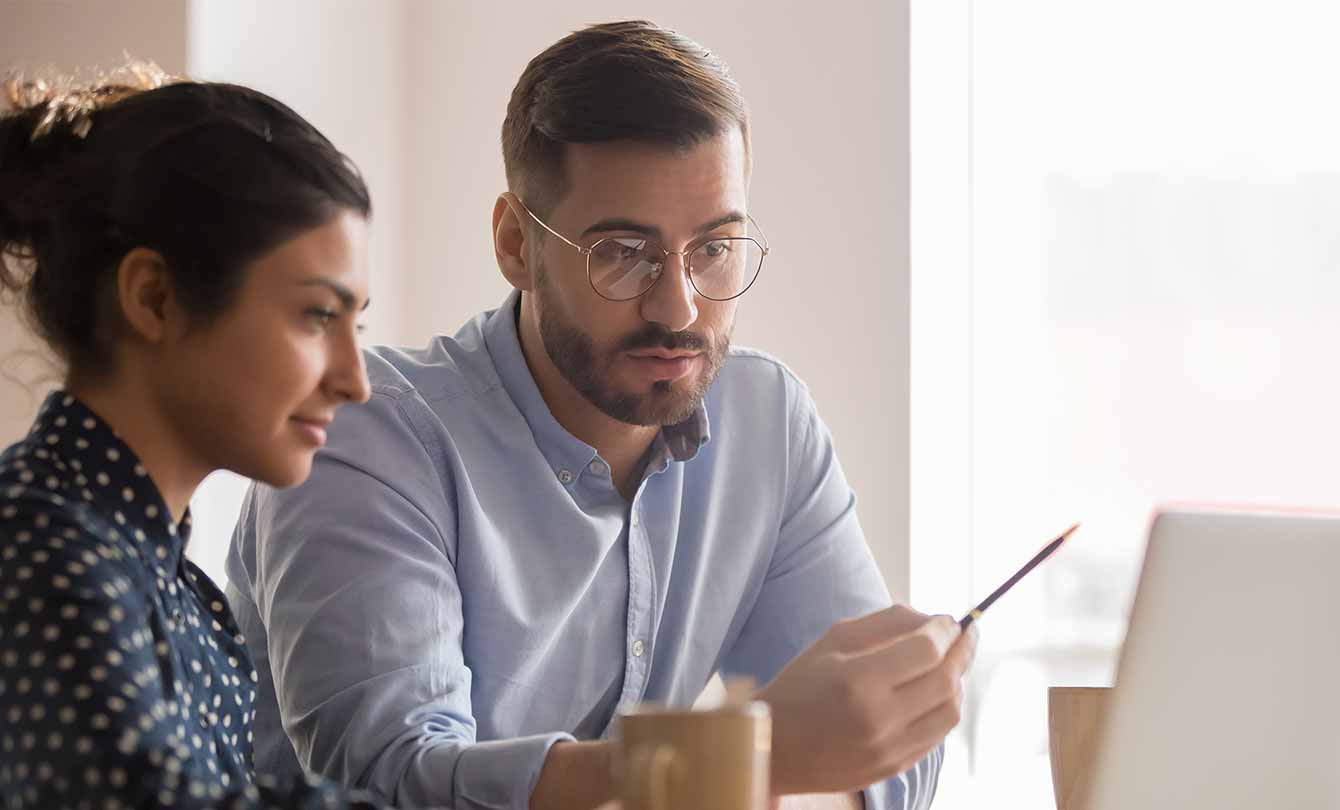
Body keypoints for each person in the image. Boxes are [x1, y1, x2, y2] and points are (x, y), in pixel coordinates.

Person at [226, 20, 976, 810]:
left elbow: (886, 769)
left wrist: (813, 751)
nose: (678, 306)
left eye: (715, 248)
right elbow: (388, 781)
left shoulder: (767, 423)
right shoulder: (367, 433)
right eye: (624, 251)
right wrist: (736, 764)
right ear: (517, 243)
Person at [0, 65, 401, 809]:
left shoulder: (169, 583)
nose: (355, 379)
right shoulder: (41, 551)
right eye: (317, 316)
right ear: (154, 298)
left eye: (358, 325)